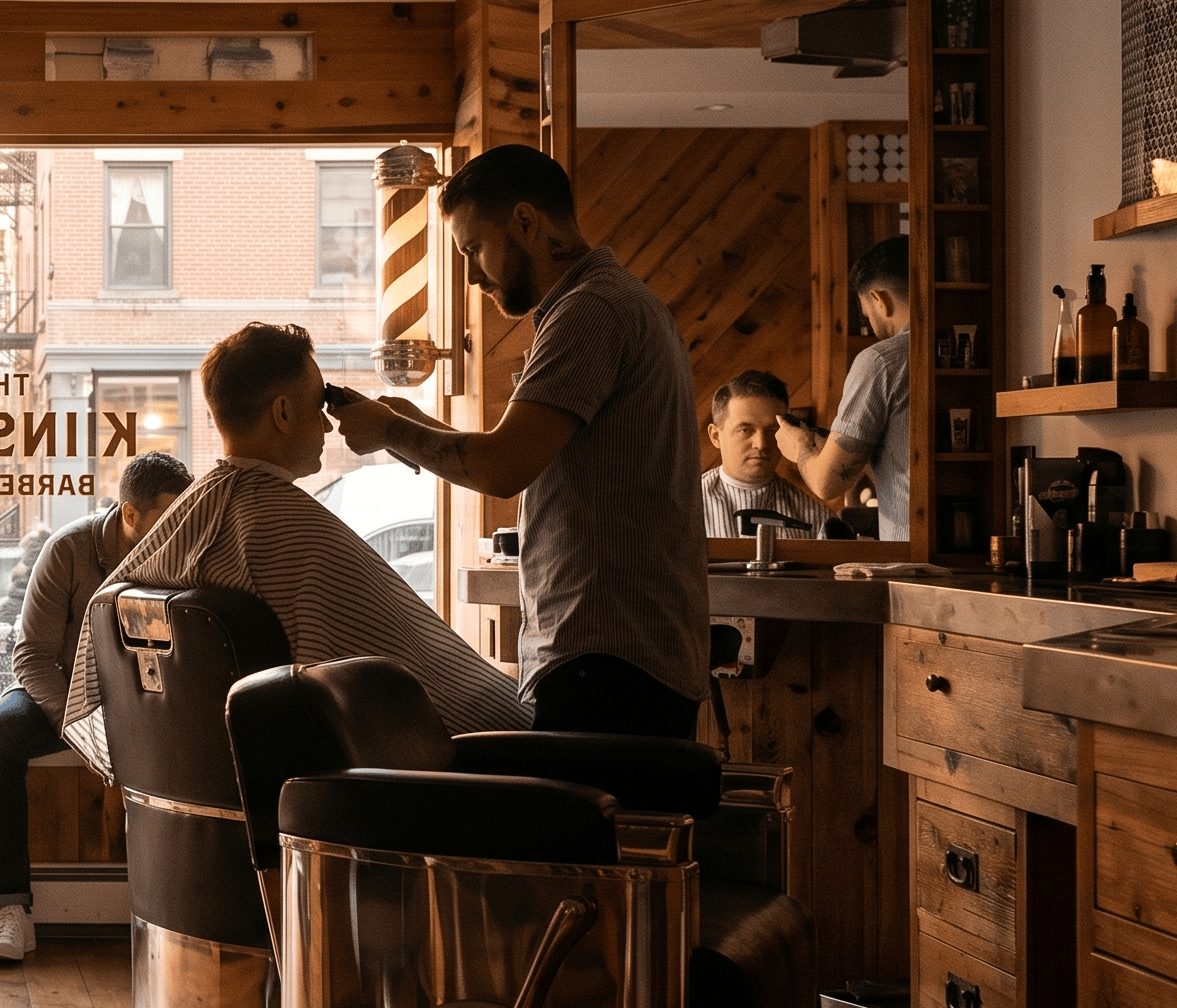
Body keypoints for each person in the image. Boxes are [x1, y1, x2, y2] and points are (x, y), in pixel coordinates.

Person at [328, 145, 708, 738]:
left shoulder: (590, 311)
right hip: (623, 652)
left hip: (609, 657)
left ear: (527, 222)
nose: (472, 275)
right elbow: (522, 450)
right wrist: (409, 424)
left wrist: (391, 431)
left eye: (474, 249)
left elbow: (502, 468)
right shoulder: (612, 302)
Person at [61, 324, 530, 782]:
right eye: (317, 406)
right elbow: (432, 689)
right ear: (283, 413)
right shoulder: (288, 532)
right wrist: (531, 724)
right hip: (417, 784)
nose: (327, 423)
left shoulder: (183, 527)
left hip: (215, 782)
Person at [0, 453, 193, 966]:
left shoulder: (183, 548)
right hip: (63, 691)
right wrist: (79, 725)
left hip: (146, 696)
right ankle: (10, 909)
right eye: (167, 518)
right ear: (129, 513)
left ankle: (183, 913)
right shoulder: (68, 549)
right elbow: (31, 657)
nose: (178, 529)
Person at [780, 236, 911, 543]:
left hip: (908, 550)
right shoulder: (963, 351)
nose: (871, 324)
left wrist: (801, 448)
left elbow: (827, 483)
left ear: (879, 299)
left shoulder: (880, 362)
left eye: (866, 314)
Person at [702, 370, 836, 539]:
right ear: (716, 436)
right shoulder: (684, 508)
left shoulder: (816, 520)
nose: (761, 444)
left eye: (772, 430)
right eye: (745, 430)